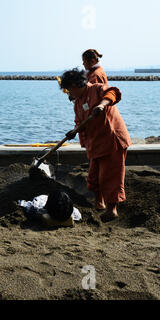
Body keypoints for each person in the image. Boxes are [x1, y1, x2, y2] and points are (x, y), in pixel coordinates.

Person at [60, 68, 132, 222]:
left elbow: (113, 93)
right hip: (95, 143)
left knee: (111, 176)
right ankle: (100, 203)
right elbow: (80, 122)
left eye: (68, 89)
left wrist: (102, 104)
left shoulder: (97, 89)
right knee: (94, 177)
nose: (68, 93)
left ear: (75, 84)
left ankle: (112, 210)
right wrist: (74, 131)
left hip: (112, 139)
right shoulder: (78, 103)